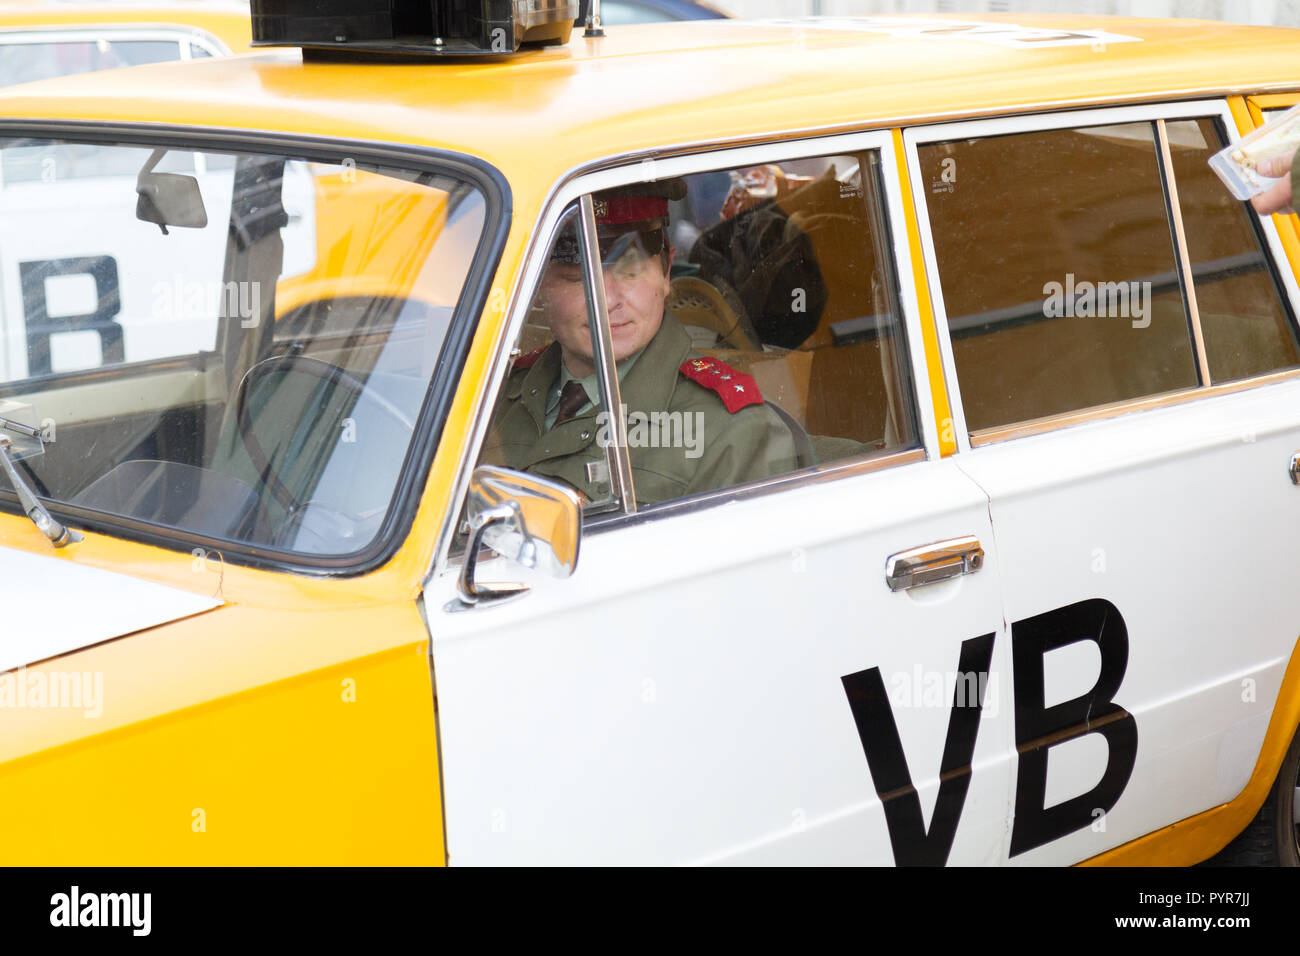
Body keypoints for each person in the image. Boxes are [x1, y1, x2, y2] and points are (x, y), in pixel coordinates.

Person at [481, 181, 800, 506]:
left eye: (630, 271)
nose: (606, 301)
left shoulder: (733, 433)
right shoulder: (487, 400)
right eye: (578, 278)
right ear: (536, 288)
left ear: (665, 275)